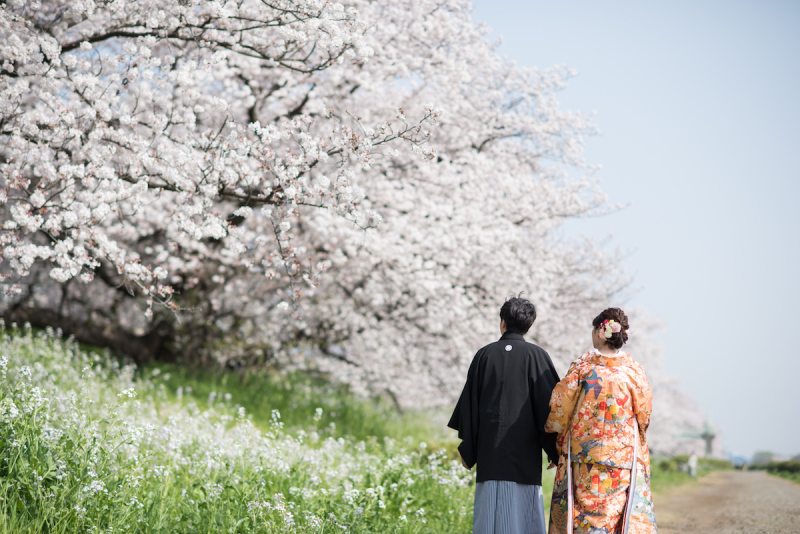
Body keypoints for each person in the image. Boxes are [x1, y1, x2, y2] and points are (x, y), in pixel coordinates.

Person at [448, 296, 560, 534]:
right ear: (528, 326)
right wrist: (554, 448)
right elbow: (549, 408)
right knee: (523, 521)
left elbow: (470, 406)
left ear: (503, 322)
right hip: (524, 458)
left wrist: (469, 449)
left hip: (489, 456)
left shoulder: (484, 355)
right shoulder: (537, 356)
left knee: (488, 521)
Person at [545, 308, 657, 534]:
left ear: (599, 332)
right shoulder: (633, 373)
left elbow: (560, 408)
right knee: (614, 514)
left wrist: (554, 433)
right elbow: (644, 415)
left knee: (582, 512)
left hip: (583, 456)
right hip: (622, 457)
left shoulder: (582, 370)